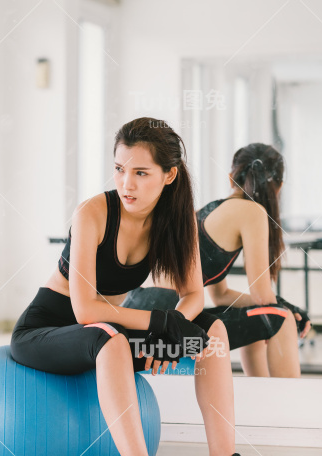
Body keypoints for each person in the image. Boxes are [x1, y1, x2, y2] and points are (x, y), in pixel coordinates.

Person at [10, 118, 288, 456]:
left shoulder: (173, 222)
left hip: (113, 333)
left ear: (169, 175)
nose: (128, 184)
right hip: (48, 330)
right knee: (110, 338)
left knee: (213, 329)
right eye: (121, 170)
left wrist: (173, 330)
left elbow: (193, 294)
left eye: (141, 173)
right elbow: (84, 310)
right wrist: (157, 323)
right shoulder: (92, 213)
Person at [123, 143, 311, 378]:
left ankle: (263, 398)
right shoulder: (252, 212)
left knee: (262, 313)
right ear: (279, 186)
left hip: (140, 316)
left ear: (232, 176)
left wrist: (282, 305)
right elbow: (264, 296)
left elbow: (220, 295)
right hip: (164, 329)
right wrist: (290, 310)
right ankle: (287, 406)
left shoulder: (209, 211)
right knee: (282, 319)